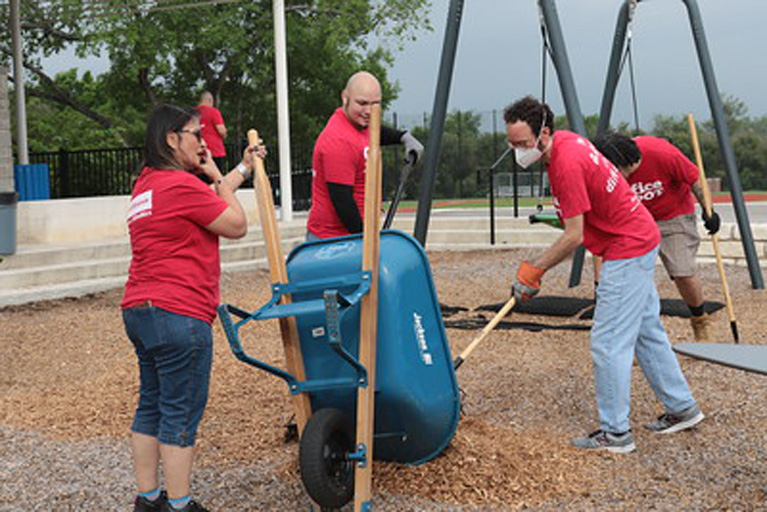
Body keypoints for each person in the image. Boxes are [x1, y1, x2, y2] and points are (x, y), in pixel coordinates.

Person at [504, 96, 704, 454]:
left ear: (543, 133)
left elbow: (574, 235)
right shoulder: (568, 142)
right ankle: (682, 408)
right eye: (511, 142)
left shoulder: (564, 163)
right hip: (638, 237)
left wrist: (534, 271)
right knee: (647, 331)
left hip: (627, 248)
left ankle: (615, 433)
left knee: (608, 342)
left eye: (521, 143)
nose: (516, 150)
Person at [121, 104, 264, 512]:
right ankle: (180, 505)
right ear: (171, 139)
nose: (203, 143)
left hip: (140, 308)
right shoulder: (181, 187)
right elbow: (235, 225)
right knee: (180, 412)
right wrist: (218, 174)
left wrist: (241, 169)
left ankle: (148, 499)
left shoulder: (147, 185)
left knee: (151, 403)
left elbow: (211, 201)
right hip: (179, 311)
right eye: (195, 134)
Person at [592, 132, 721, 342]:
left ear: (628, 162)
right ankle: (631, 338)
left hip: (672, 215)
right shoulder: (606, 171)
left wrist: (710, 210)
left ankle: (700, 319)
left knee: (683, 271)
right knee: (629, 277)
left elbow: (695, 178)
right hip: (632, 220)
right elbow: (602, 236)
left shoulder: (660, 153)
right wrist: (600, 282)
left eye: (617, 170)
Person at [306, 71, 424, 240]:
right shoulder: (338, 141)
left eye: (375, 104)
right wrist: (365, 240)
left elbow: (375, 132)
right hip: (335, 240)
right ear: (344, 98)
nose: (369, 111)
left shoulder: (358, 124)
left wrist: (403, 137)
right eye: (362, 103)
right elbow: (343, 202)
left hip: (355, 233)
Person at [196, 91, 228, 169]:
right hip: (214, 151)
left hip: (197, 151)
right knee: (216, 178)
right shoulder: (213, 112)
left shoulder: (192, 113)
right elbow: (221, 131)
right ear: (210, 100)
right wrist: (225, 134)